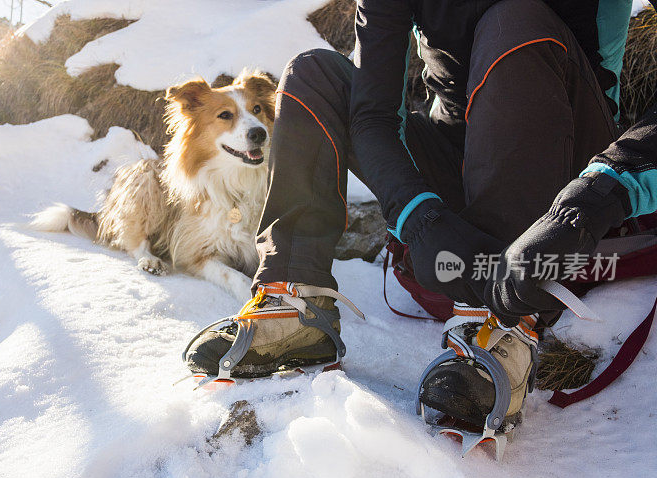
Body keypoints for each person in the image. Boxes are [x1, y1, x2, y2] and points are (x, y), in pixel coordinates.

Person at [185, 0, 656, 431]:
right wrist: (418, 213)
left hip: (567, 166)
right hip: (457, 156)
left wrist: (601, 195)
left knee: (514, 19)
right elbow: (372, 115)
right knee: (314, 75)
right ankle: (297, 307)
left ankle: (501, 326)